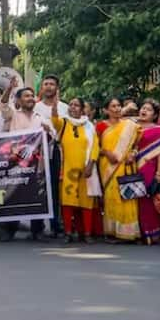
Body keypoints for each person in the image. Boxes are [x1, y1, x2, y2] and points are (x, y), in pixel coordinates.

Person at [0, 81, 48, 241]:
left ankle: (37, 230)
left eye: (32, 96)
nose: (31, 98)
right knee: (13, 195)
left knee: (36, 196)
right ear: (18, 101)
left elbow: (52, 137)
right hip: (15, 164)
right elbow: (3, 104)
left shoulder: (40, 118)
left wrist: (48, 131)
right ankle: (8, 229)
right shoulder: (12, 115)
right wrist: (10, 88)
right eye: (26, 96)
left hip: (36, 165)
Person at [52, 97, 99, 244]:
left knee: (86, 203)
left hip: (86, 169)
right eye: (71, 105)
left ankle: (86, 233)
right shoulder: (64, 123)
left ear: (82, 108)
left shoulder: (89, 126)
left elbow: (95, 147)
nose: (73, 107)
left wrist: (90, 165)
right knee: (68, 202)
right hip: (68, 169)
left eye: (76, 105)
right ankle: (68, 233)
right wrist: (54, 106)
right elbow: (54, 120)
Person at [98, 97, 141, 243]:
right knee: (112, 197)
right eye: (113, 106)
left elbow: (136, 144)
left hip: (126, 165)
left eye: (118, 106)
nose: (116, 109)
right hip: (108, 166)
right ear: (106, 110)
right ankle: (113, 232)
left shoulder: (130, 125)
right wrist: (107, 153)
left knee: (127, 196)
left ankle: (129, 232)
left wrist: (132, 154)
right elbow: (94, 147)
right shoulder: (101, 126)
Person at [32, 74, 69, 239]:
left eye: (52, 84)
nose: (48, 86)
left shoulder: (64, 108)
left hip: (56, 150)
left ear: (57, 87)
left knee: (55, 188)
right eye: (45, 84)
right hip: (38, 152)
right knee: (37, 188)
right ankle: (37, 227)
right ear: (42, 87)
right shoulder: (35, 107)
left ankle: (56, 225)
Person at [134, 99, 160, 245]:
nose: (144, 111)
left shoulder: (159, 129)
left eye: (148, 109)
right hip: (132, 167)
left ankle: (153, 232)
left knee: (148, 200)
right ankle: (139, 233)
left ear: (154, 115)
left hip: (150, 168)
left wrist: (159, 172)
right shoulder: (132, 127)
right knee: (135, 200)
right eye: (142, 108)